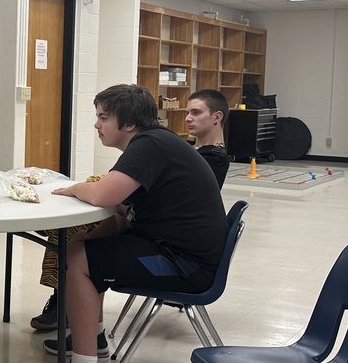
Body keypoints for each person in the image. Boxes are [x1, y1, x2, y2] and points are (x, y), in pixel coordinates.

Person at [46, 84, 227, 361]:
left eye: (104, 117)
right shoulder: (153, 142)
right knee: (81, 249)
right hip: (179, 253)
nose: (97, 124)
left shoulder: (149, 145)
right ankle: (94, 339)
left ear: (129, 123)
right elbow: (122, 216)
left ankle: (85, 358)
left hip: (185, 265)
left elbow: (103, 196)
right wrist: (88, 240)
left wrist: (73, 188)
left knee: (78, 261)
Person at [185, 89, 230, 187]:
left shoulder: (215, 157)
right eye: (187, 113)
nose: (188, 118)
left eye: (196, 112)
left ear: (217, 117)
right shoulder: (188, 147)